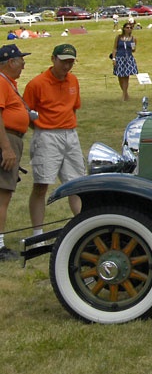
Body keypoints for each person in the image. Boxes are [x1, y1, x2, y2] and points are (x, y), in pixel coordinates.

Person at [23, 43, 86, 235]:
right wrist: (43, 129)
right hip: (47, 136)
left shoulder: (73, 81)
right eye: (63, 62)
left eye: (70, 62)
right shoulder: (37, 83)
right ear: (53, 59)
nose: (67, 66)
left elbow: (73, 107)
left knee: (77, 184)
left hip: (70, 135)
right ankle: (37, 234)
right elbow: (27, 114)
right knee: (42, 184)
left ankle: (83, 228)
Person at [0, 44, 32, 262]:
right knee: (2, 195)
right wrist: (6, 148)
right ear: (10, 62)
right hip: (7, 139)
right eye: (21, 60)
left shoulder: (8, 83)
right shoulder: (1, 82)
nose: (23, 64)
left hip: (12, 138)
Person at [112, 21, 138, 102]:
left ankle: (124, 95)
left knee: (126, 77)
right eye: (127, 27)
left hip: (128, 58)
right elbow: (114, 48)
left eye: (130, 28)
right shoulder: (118, 37)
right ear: (124, 28)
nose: (129, 29)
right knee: (120, 77)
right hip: (119, 58)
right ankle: (125, 94)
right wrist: (114, 58)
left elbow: (133, 50)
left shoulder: (133, 38)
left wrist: (133, 46)